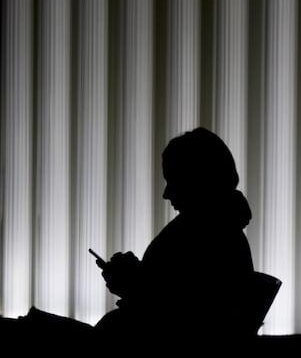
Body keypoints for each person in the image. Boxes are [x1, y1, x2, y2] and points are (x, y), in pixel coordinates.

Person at [94, 127, 258, 341]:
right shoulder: (218, 232)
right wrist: (137, 276)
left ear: (198, 180)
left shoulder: (205, 236)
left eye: (174, 180)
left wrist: (132, 283)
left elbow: (181, 319)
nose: (166, 193)